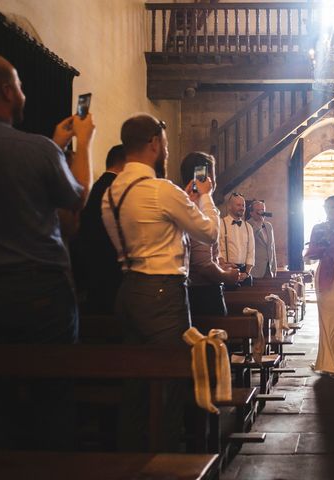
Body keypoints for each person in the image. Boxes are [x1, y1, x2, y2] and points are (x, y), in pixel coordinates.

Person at [101, 114, 219, 451]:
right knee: (170, 386)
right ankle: (168, 465)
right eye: (165, 143)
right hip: (163, 292)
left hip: (128, 291)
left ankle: (131, 461)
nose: (166, 149)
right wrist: (205, 199)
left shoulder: (111, 193)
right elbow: (209, 234)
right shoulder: (160, 190)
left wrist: (182, 202)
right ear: (155, 143)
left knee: (135, 386)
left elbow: (150, 229)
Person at [0, 54, 95, 343]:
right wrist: (84, 142)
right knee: (51, 379)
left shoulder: (43, 149)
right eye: (20, 86)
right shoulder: (37, 150)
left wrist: (55, 147)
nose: (23, 94)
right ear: (7, 91)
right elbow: (77, 198)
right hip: (36, 291)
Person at [180, 152, 240, 316]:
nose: (214, 181)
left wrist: (219, 262)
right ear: (204, 177)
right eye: (212, 175)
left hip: (193, 291)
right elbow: (203, 265)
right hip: (203, 294)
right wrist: (228, 276)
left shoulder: (182, 201)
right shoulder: (200, 207)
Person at [71, 144, 126, 313]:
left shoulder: (96, 187)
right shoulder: (115, 192)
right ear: (124, 164)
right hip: (113, 274)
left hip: (92, 272)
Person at [304, 196, 334, 377]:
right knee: (325, 318)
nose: (331, 210)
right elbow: (311, 253)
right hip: (324, 271)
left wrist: (329, 247)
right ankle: (327, 361)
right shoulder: (317, 228)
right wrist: (313, 251)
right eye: (328, 207)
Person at [218, 192, 254, 286]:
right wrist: (223, 265)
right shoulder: (220, 224)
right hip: (226, 270)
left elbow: (251, 251)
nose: (242, 208)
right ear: (229, 206)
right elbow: (215, 248)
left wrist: (246, 273)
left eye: (243, 205)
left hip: (244, 272)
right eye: (238, 205)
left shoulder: (248, 227)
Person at [248, 200, 277, 279]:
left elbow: (272, 247)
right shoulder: (247, 225)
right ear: (251, 213)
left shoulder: (269, 226)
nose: (261, 213)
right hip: (255, 270)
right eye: (258, 211)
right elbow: (249, 241)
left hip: (269, 269)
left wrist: (274, 268)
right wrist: (259, 225)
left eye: (263, 210)